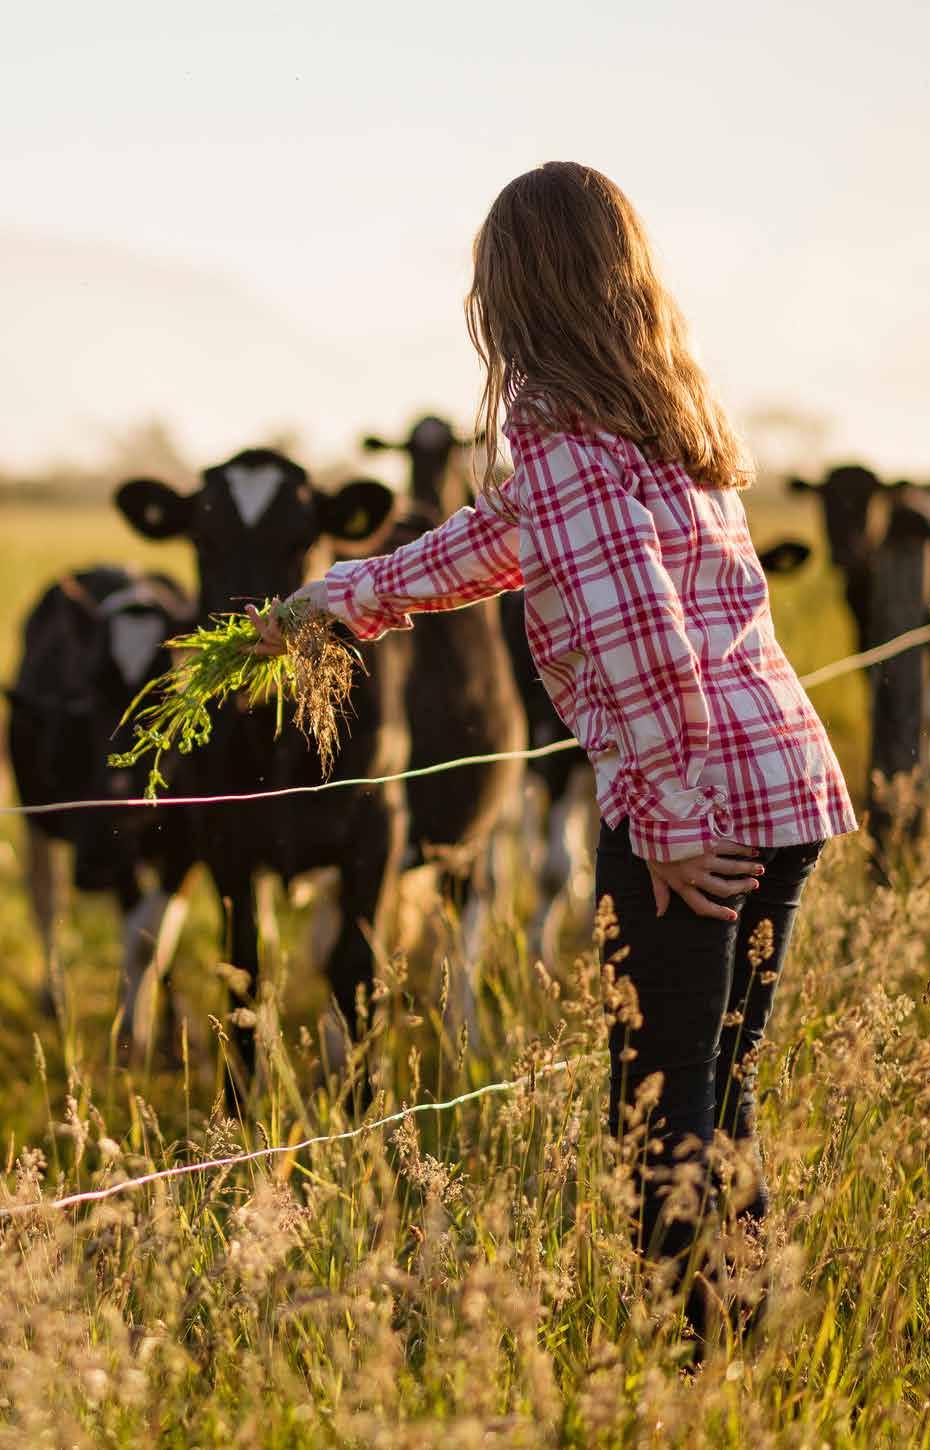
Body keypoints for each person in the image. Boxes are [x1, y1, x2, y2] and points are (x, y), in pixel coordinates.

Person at [248, 161, 857, 1297]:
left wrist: (671, 817)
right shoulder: (654, 413)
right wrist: (341, 597)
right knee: (718, 1087)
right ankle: (739, 1349)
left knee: (658, 1109)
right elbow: (495, 541)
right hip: (774, 780)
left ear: (515, 288)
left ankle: (687, 1368)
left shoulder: (559, 431)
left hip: (697, 803)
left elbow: (639, 634)